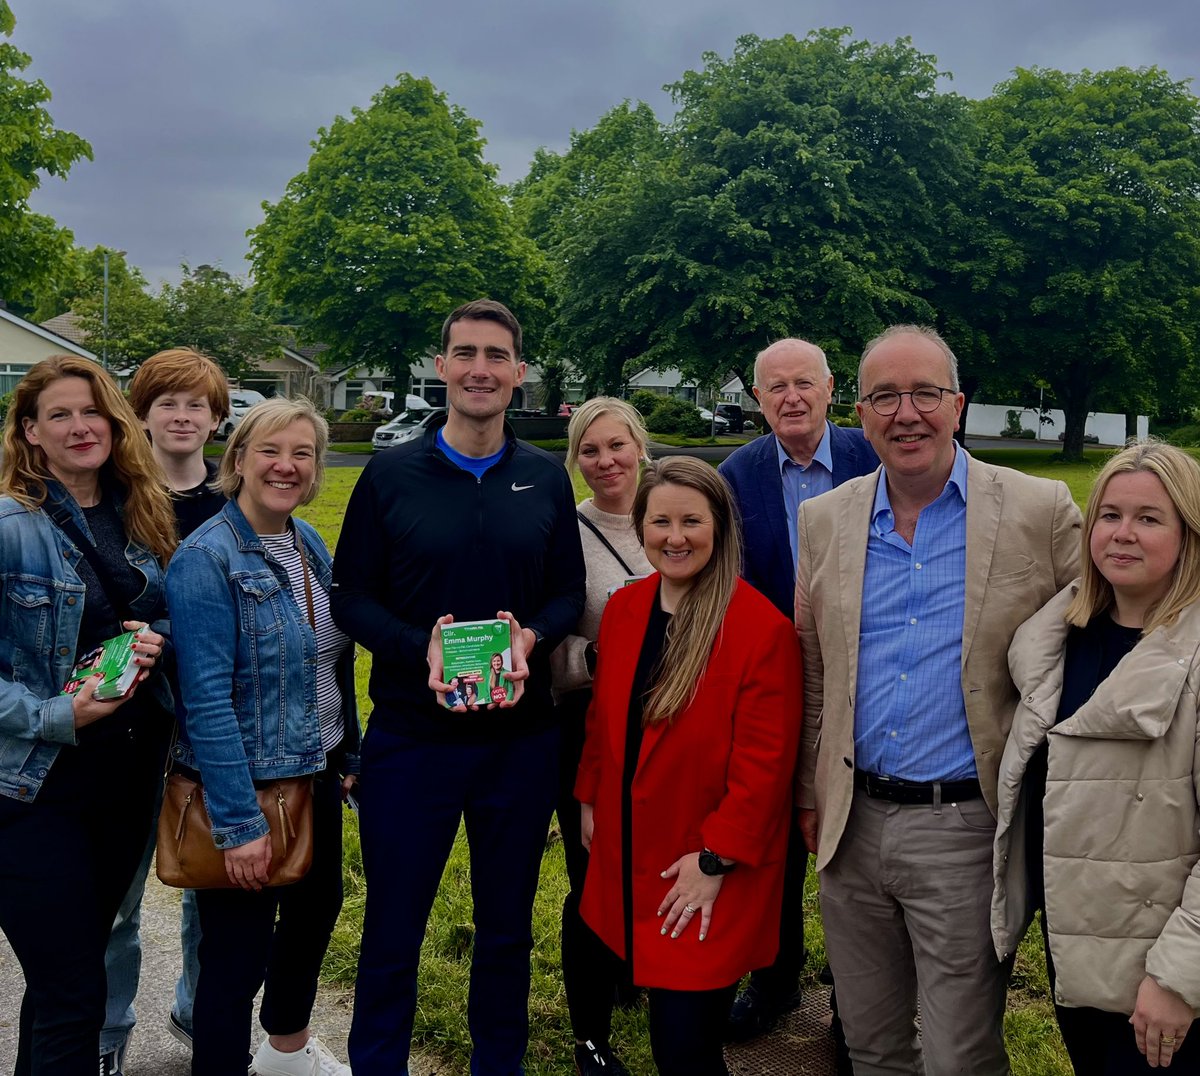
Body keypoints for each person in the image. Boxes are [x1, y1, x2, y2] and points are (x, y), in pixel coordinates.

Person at [794, 324, 1082, 1076]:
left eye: (925, 392)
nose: (906, 413)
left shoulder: (1039, 509)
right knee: (871, 1044)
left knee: (960, 1054)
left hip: (965, 827)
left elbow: (1104, 632)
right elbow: (816, 668)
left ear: (957, 404)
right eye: (885, 396)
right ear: (860, 412)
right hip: (850, 827)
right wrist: (808, 794)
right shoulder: (823, 521)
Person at [332, 299, 586, 1074]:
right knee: (393, 926)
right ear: (440, 368)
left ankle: (496, 1065)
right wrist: (420, 646)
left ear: (518, 373)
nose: (481, 368)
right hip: (414, 739)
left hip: (519, 743)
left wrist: (530, 636)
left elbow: (566, 591)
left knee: (507, 928)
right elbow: (350, 595)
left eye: (497, 355)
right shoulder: (389, 474)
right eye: (465, 353)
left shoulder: (544, 479)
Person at [575, 457, 803, 1076]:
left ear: (720, 527)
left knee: (684, 1046)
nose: (675, 537)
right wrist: (590, 798)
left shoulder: (760, 629)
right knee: (661, 1028)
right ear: (641, 527)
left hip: (705, 871)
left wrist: (715, 860)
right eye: (661, 521)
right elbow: (603, 721)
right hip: (630, 852)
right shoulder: (625, 610)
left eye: (692, 521)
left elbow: (766, 768)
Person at [166, 397, 359, 1076]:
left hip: (318, 769)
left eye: (302, 454)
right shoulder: (204, 559)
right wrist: (238, 819)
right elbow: (206, 701)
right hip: (251, 785)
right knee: (235, 957)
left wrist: (348, 751)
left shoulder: (306, 541)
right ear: (238, 459)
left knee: (314, 917)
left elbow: (329, 656)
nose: (287, 466)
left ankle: (285, 1054)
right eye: (271, 451)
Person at [994, 441, 1200, 1074]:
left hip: (1161, 971)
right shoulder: (1056, 639)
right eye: (1109, 515)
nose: (1122, 534)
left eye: (1149, 518)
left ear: (1189, 534)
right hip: (1079, 949)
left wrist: (1178, 978)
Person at [0, 355, 175, 1075]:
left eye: (92, 410)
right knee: (76, 991)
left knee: (63, 982)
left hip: (127, 779)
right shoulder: (10, 525)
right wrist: (54, 714)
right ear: (31, 433)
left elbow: (147, 612)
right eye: (60, 415)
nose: (80, 426)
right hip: (36, 788)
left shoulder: (139, 507)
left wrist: (151, 636)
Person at [717, 337, 878, 1045]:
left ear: (830, 388)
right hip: (773, 684)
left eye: (803, 384)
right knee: (773, 842)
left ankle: (855, 1005)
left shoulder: (873, 458)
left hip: (865, 678)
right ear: (757, 399)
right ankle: (775, 981)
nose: (791, 397)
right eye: (775, 387)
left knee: (855, 845)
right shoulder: (735, 476)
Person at [102, 346, 231, 1072]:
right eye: (168, 403)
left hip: (211, 717)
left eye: (198, 405)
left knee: (204, 881)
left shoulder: (233, 500)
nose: (183, 416)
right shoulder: (112, 496)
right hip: (127, 718)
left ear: (217, 418)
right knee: (120, 893)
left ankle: (197, 1009)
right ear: (143, 413)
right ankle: (109, 1032)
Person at [550, 397, 653, 1075]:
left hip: (678, 728)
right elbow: (549, 640)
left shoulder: (681, 508)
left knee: (660, 862)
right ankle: (590, 1034)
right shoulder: (564, 531)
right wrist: (604, 657)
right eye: (591, 450)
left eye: (617, 446)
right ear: (575, 460)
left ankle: (636, 970)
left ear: (640, 447)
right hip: (590, 727)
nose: (606, 461)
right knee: (595, 872)